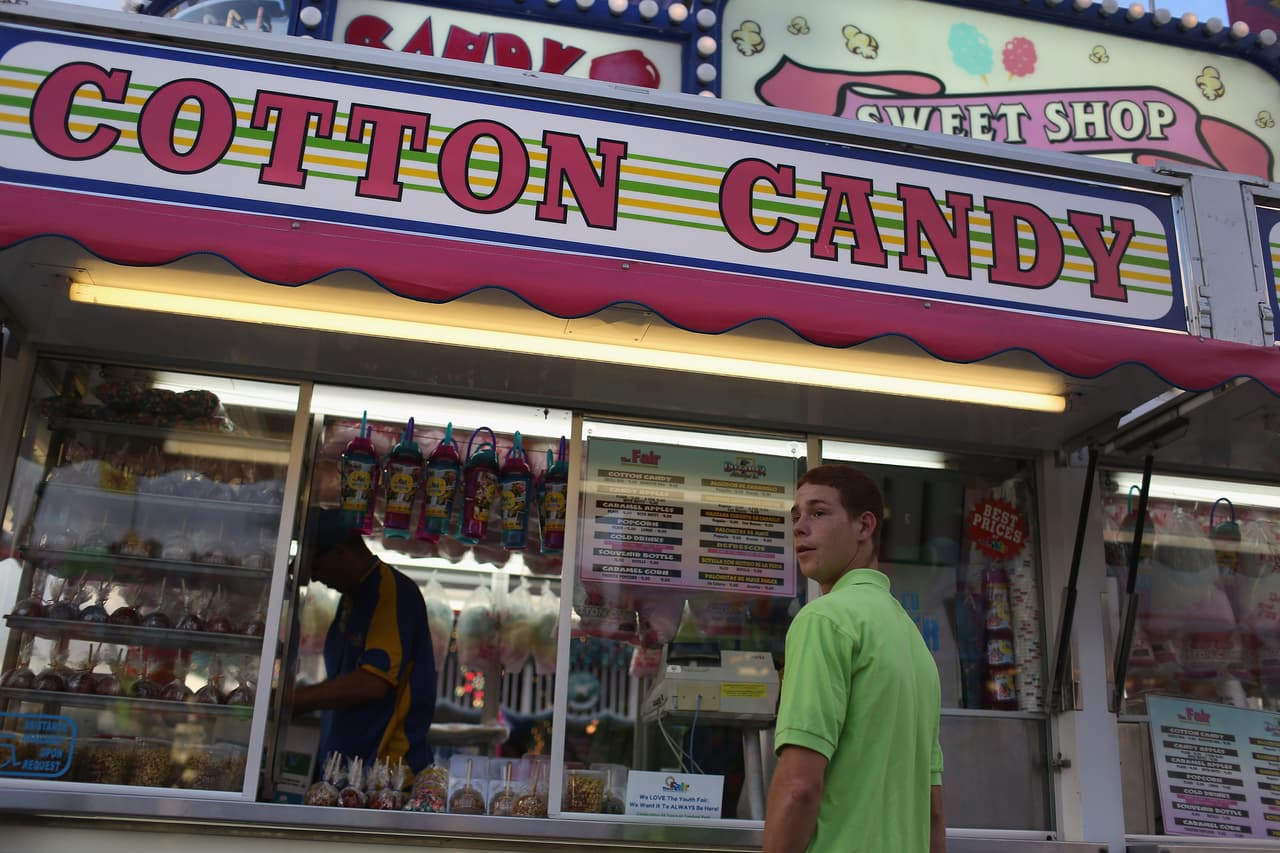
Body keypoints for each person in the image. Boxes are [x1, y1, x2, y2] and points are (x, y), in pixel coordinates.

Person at [763, 465, 944, 853]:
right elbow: (933, 815)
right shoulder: (914, 643)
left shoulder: (825, 619)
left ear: (864, 526)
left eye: (819, 512)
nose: (799, 526)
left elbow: (799, 787)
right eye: (795, 515)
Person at [293, 507, 437, 773]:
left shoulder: (391, 592)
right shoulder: (351, 599)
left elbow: (373, 682)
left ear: (340, 552)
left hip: (384, 775)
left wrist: (296, 700)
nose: (314, 577)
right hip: (348, 771)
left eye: (315, 565)